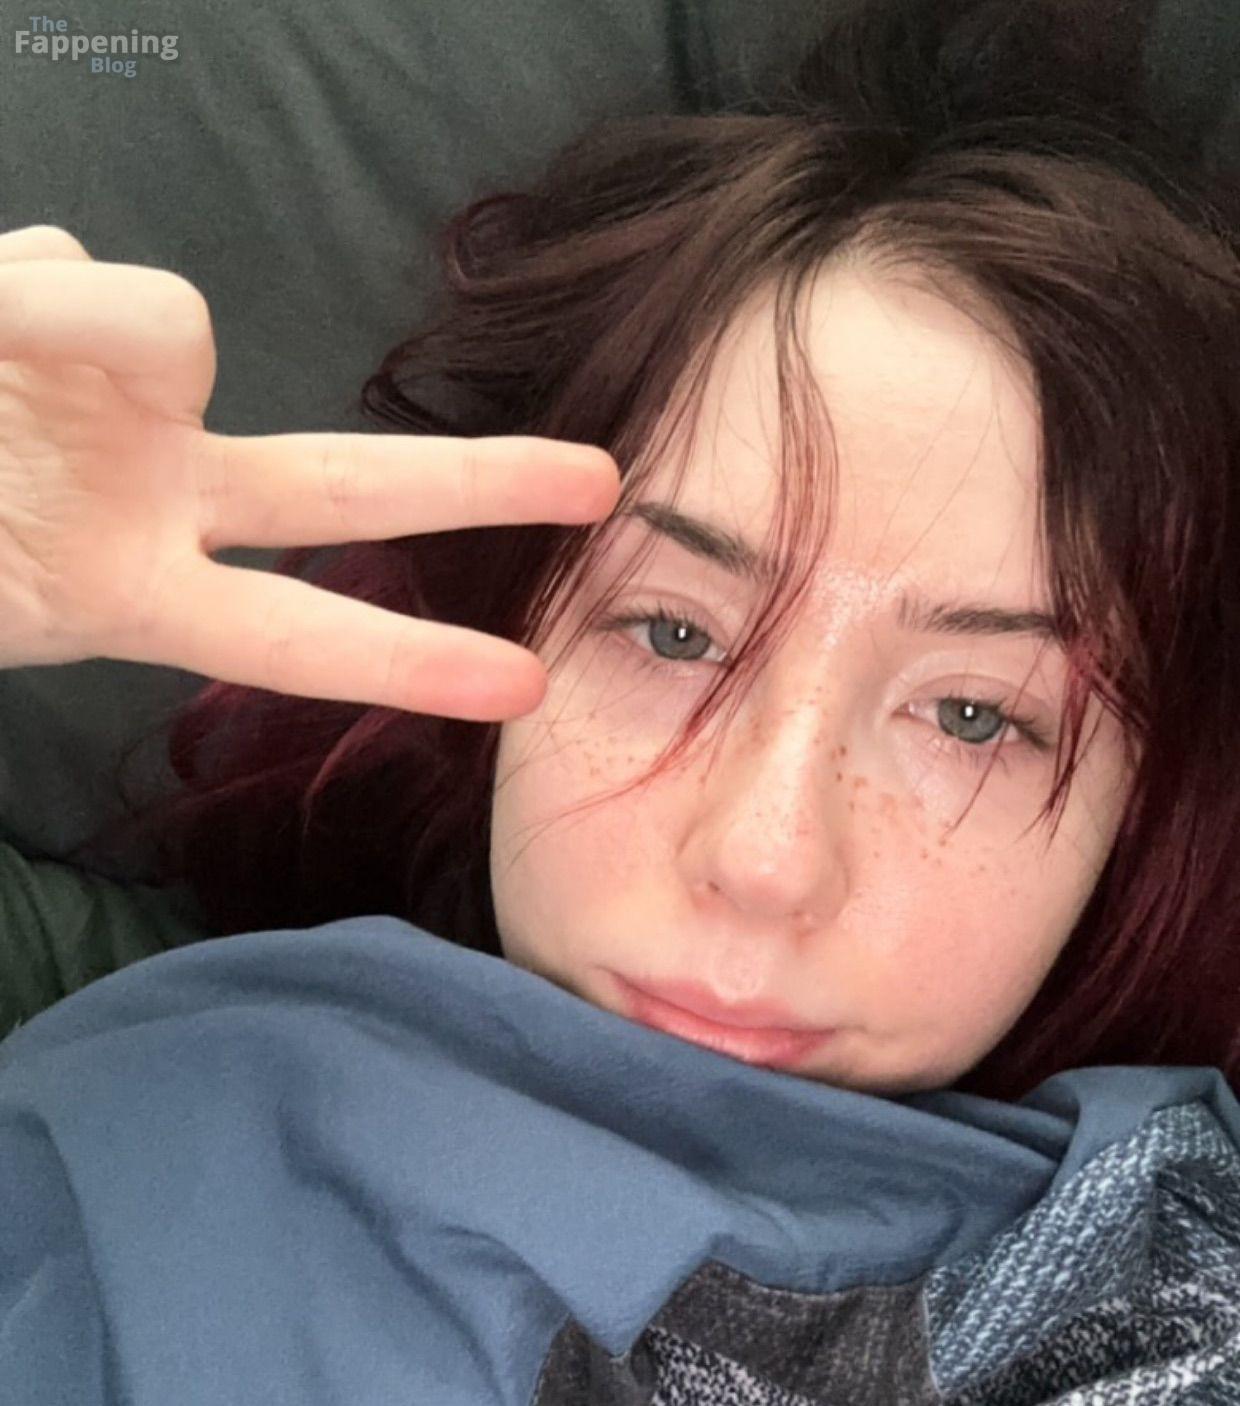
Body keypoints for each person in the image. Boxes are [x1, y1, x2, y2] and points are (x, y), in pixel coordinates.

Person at [2, 2, 1239, 1401]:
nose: (763, 860)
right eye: (672, 631)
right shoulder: (133, 1076)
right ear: (515, 612)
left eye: (972, 716)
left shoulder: (1164, 1286)